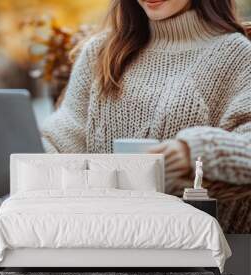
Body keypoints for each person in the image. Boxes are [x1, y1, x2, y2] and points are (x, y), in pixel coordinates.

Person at [41, 0, 251, 190]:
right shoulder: (101, 51)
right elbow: (62, 138)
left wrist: (195, 151)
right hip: (101, 222)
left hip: (193, 227)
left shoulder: (238, 54)